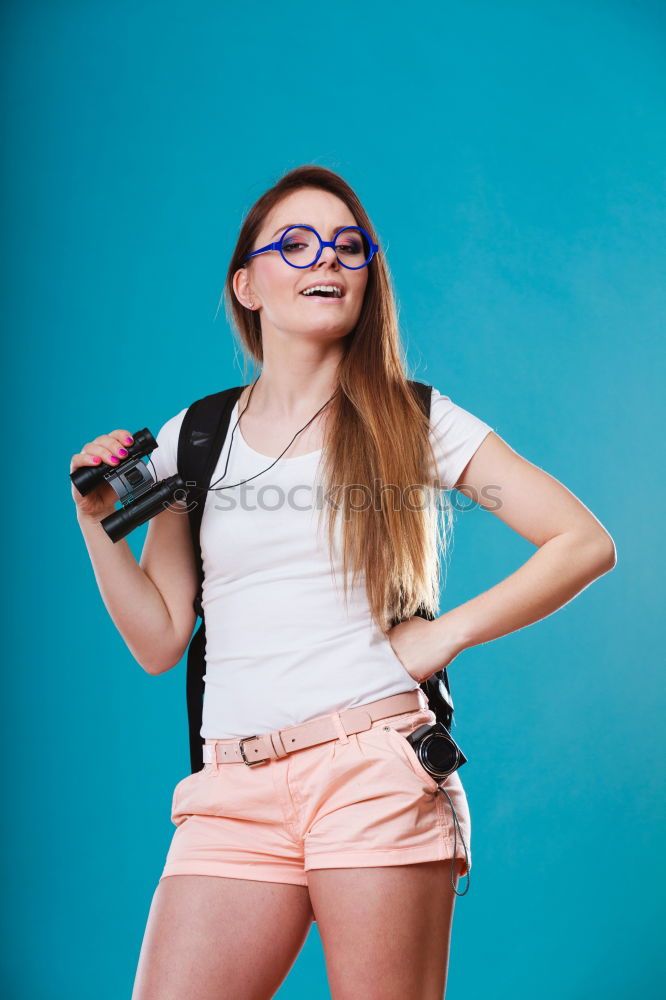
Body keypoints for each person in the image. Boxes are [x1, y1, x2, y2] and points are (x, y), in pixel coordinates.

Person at [70, 165, 617, 1000]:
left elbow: (582, 540)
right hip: (232, 788)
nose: (327, 258)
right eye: (295, 243)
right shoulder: (196, 437)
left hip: (373, 773)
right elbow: (159, 639)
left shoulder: (414, 418)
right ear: (245, 285)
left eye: (348, 245)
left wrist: (444, 634)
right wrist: (95, 522)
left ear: (368, 277)